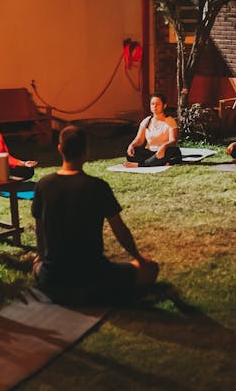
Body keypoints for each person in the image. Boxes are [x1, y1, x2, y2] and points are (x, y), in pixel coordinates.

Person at [31, 125, 159, 304]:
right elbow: (120, 230)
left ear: (60, 149)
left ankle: (64, 291)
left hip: (53, 277)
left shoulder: (43, 185)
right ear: (86, 152)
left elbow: (40, 229)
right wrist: (139, 258)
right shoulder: (97, 187)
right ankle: (89, 294)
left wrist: (40, 256)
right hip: (93, 277)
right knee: (150, 269)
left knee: (36, 266)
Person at [125, 93, 183, 167]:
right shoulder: (146, 121)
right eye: (152, 104)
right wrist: (132, 145)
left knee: (172, 152)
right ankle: (156, 162)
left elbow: (173, 141)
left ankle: (141, 165)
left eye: (157, 104)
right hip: (150, 153)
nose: (154, 106)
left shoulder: (170, 121)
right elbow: (139, 140)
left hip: (164, 151)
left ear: (164, 106)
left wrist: (164, 146)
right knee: (131, 152)